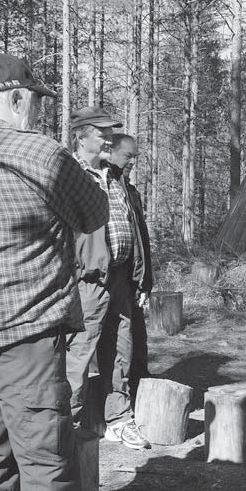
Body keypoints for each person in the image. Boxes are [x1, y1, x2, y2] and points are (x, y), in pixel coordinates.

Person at [0, 52, 109, 491]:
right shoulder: (39, 152)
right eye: (35, 101)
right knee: (46, 463)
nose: (36, 111)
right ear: (17, 98)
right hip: (26, 338)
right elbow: (96, 213)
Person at [66, 106, 150, 449]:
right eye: (103, 134)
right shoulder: (68, 173)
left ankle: (118, 418)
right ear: (82, 135)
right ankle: (68, 425)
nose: (109, 141)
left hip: (120, 277)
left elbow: (135, 228)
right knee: (79, 354)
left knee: (120, 351)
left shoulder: (115, 176)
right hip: (85, 280)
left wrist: (141, 277)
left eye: (111, 135)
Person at [108, 133, 154, 398]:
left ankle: (142, 394)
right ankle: (115, 399)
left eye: (135, 157)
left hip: (133, 279)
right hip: (115, 278)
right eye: (128, 156)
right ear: (111, 152)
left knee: (137, 339)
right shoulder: (105, 187)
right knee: (117, 344)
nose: (132, 162)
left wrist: (145, 281)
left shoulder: (131, 192)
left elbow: (141, 241)